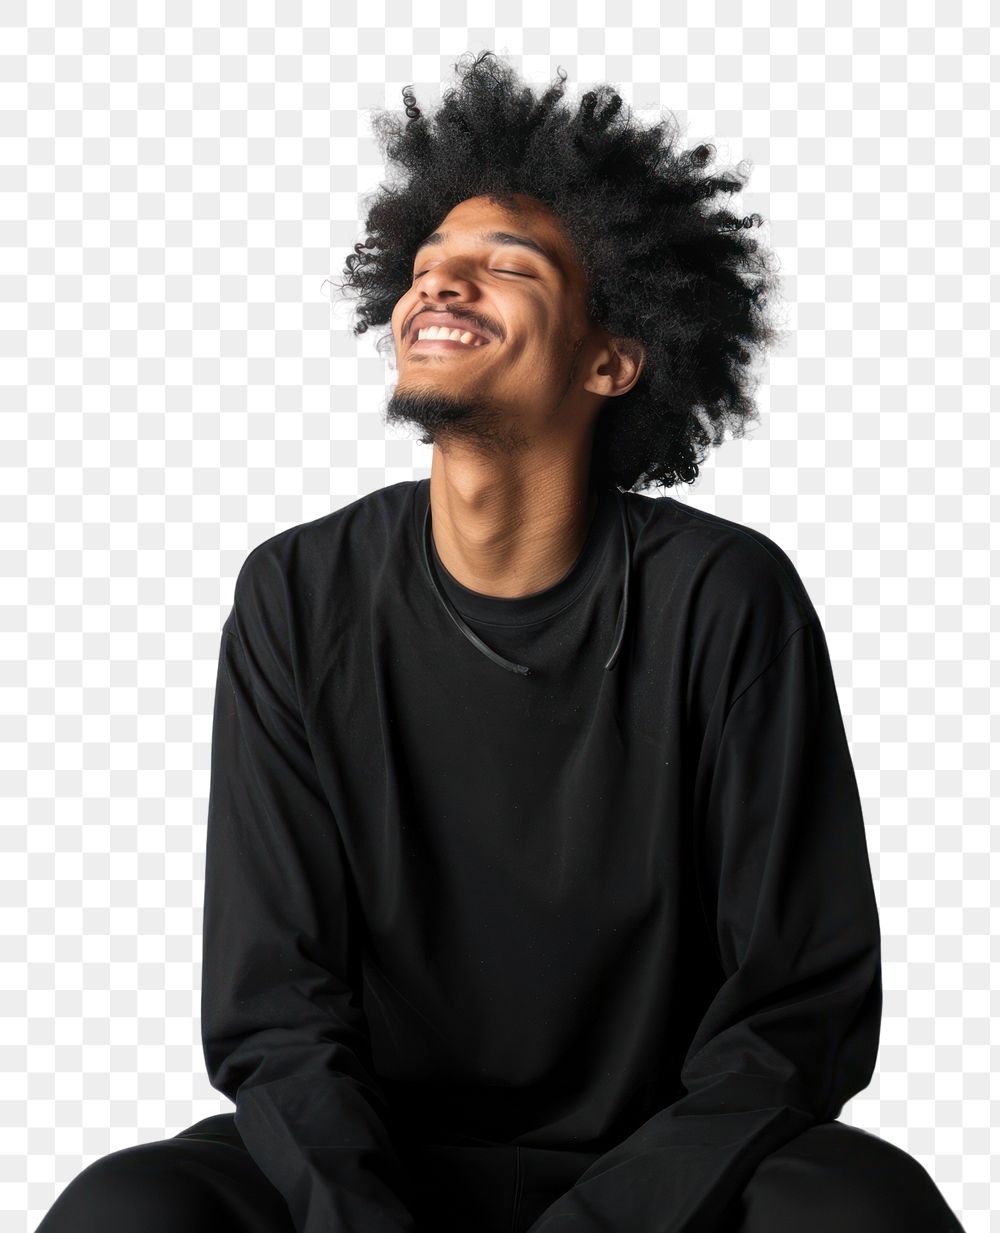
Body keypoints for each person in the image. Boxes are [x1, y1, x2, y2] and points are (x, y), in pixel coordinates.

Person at [36, 50, 966, 1233]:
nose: (439, 287)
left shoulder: (727, 599)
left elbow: (796, 1009)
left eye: (503, 269)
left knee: (866, 1211)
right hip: (373, 1167)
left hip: (660, 1172)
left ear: (612, 358)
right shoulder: (295, 595)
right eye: (425, 270)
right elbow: (275, 1007)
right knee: (125, 1211)